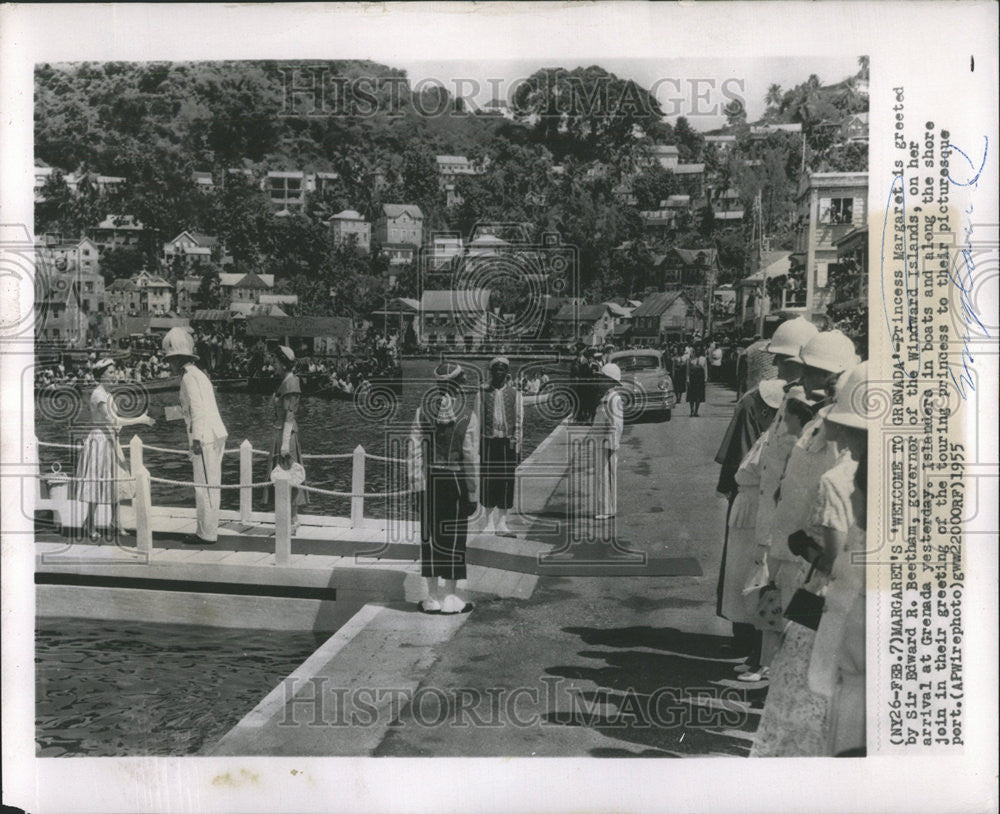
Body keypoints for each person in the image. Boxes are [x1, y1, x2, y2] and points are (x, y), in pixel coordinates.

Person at [751, 361, 867, 757]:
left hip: (822, 588)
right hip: (838, 588)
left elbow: (838, 563)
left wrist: (803, 546)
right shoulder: (849, 469)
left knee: (803, 680)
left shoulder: (838, 479)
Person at [408, 362, 480, 615]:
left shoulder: (421, 412)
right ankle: (450, 597)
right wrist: (473, 493)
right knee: (454, 539)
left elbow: (415, 452)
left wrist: (417, 486)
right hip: (456, 483)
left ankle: (431, 597)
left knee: (430, 538)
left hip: (429, 483)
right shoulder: (469, 416)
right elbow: (471, 459)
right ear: (458, 383)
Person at [73, 358, 155, 541]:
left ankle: (115, 522)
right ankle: (90, 523)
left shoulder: (107, 394)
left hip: (110, 440)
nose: (114, 375)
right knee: (97, 481)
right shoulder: (98, 395)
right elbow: (113, 420)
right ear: (101, 376)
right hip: (100, 442)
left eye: (114, 371)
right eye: (110, 372)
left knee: (115, 480)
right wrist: (140, 419)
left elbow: (115, 422)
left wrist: (118, 427)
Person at [162, 327, 228, 546]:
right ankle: (206, 529)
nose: (168, 364)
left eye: (170, 359)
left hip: (205, 437)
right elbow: (191, 409)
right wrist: (165, 417)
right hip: (212, 433)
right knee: (209, 485)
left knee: (205, 486)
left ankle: (207, 533)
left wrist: (197, 440)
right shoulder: (197, 375)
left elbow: (198, 410)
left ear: (179, 358)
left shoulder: (189, 379)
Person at [477, 356, 523, 537]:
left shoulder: (516, 394)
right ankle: (488, 522)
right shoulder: (482, 393)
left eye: (502, 370)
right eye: (495, 370)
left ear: (506, 373)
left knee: (506, 482)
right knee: (488, 481)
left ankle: (502, 522)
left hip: (507, 442)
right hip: (488, 441)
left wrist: (517, 446)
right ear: (491, 372)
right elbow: (476, 420)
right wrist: (476, 446)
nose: (498, 373)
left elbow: (519, 422)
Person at [266, 346, 309, 531]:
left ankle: (292, 520)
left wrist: (284, 443)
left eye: (276, 362)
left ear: (284, 364)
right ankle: (289, 519)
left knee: (288, 476)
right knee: (283, 477)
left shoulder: (291, 384)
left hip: (286, 435)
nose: (273, 365)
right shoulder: (284, 382)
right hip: (279, 432)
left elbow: (290, 415)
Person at [592, 362, 624, 521]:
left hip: (607, 443)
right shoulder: (606, 397)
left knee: (607, 476)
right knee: (601, 476)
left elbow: (616, 424)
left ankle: (608, 508)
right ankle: (604, 507)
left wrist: (612, 445)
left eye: (603, 379)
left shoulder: (613, 398)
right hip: (601, 441)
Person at [686, 343, 707, 416]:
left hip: (700, 379)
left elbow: (705, 369)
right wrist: (688, 379)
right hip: (692, 379)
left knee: (698, 396)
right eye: (696, 350)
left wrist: (705, 379)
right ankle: (691, 410)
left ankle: (696, 411)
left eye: (699, 350)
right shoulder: (690, 359)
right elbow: (688, 370)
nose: (697, 351)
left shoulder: (703, 359)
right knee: (691, 396)